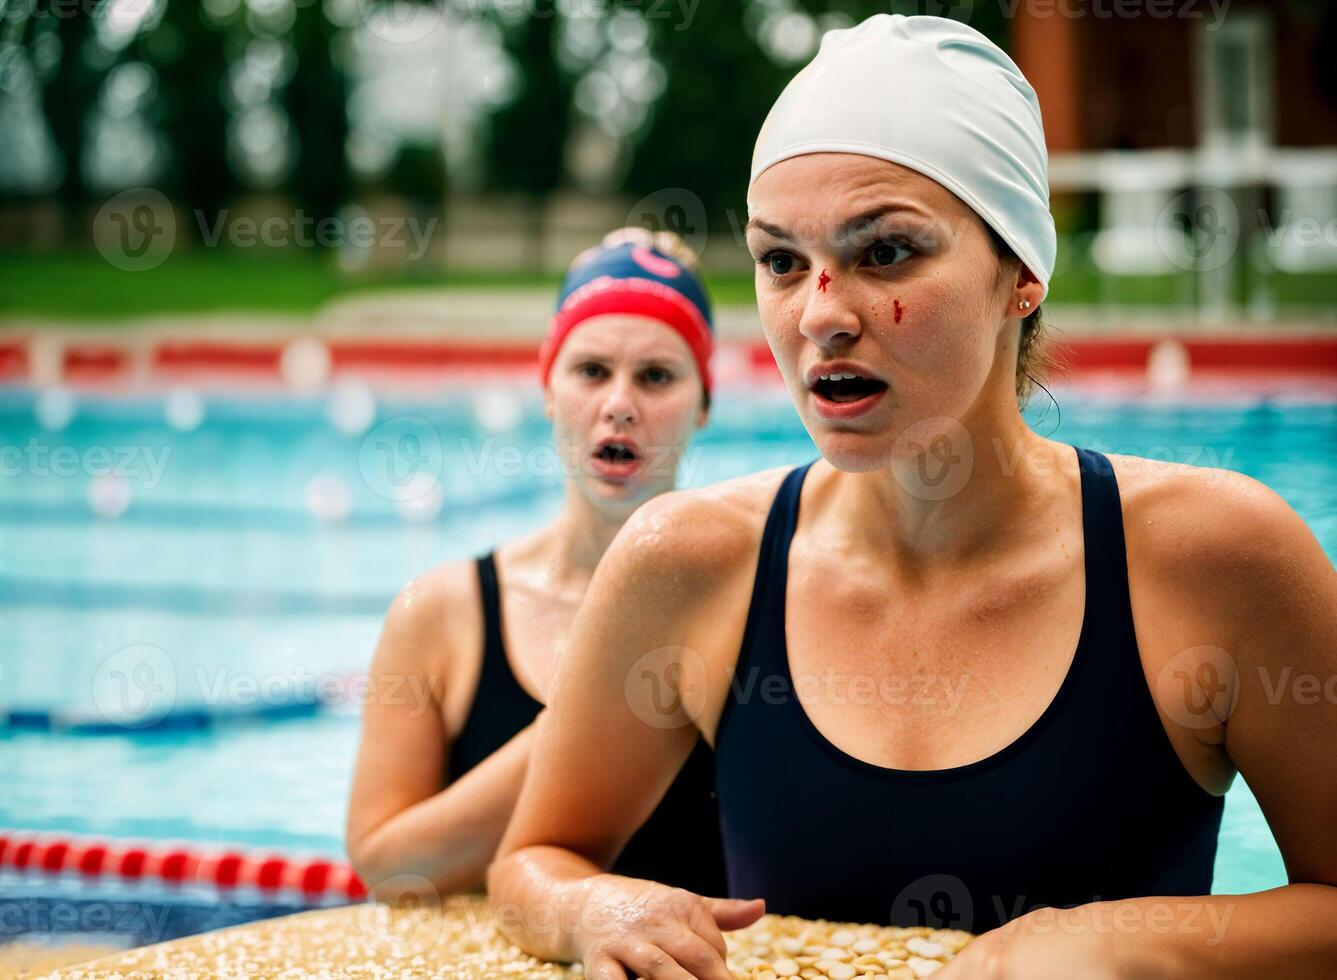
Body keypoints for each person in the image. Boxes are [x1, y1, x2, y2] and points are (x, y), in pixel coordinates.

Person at [487, 15, 1337, 979]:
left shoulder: (1213, 557)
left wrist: (1118, 940)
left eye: (885, 253)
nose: (820, 314)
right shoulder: (687, 562)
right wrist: (590, 905)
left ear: (1019, 270)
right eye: (778, 260)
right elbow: (532, 863)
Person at [345, 228, 727, 901]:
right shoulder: (441, 613)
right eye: (590, 371)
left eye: (656, 376)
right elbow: (385, 867)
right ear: (548, 390)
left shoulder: (749, 605)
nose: (618, 404)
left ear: (702, 404)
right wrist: (598, 706)